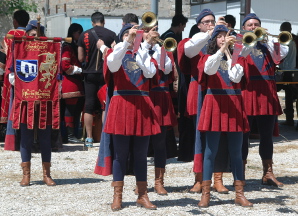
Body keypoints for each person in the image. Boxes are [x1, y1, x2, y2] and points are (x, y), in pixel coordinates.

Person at [100, 24, 161, 211]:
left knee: (141, 155)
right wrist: (127, 42)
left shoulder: (144, 53)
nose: (132, 36)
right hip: (122, 104)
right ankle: (117, 195)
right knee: (120, 154)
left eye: (135, 33)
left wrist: (140, 47)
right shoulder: (115, 51)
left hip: (142, 105)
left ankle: (142, 194)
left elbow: (150, 72)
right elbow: (112, 64)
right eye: (127, 33)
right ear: (122, 36)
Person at [197, 25, 253, 208]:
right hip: (215, 104)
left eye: (226, 36)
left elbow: (236, 77)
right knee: (210, 152)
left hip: (234, 104)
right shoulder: (207, 57)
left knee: (236, 152)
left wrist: (231, 55)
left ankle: (239, 193)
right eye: (220, 36)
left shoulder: (238, 58)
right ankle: (206, 194)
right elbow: (209, 69)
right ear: (214, 40)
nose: (223, 38)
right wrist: (222, 50)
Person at [177, 9, 230, 194]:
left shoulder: (220, 40)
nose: (210, 23)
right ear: (199, 24)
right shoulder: (191, 41)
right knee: (199, 137)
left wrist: (225, 33)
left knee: (220, 134)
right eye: (206, 21)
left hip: (218, 90)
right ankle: (199, 178)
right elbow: (190, 51)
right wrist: (210, 33)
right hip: (199, 90)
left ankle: (218, 178)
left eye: (213, 21)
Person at [241, 13, 289, 187]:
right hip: (248, 90)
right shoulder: (240, 42)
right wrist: (250, 39)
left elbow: (279, 56)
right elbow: (241, 55)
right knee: (243, 135)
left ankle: (268, 173)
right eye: (250, 25)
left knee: (267, 136)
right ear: (244, 28)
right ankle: (241, 174)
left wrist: (269, 40)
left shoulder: (267, 44)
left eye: (256, 25)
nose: (253, 27)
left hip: (267, 92)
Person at [78, 12, 116, 147]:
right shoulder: (111, 34)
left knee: (88, 105)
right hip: (105, 74)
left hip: (89, 74)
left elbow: (80, 58)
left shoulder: (84, 35)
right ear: (103, 21)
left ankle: (89, 138)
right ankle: (105, 135)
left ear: (92, 22)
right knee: (105, 104)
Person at [61, 23, 85, 143]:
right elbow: (65, 66)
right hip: (70, 83)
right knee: (70, 110)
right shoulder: (67, 47)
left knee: (75, 110)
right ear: (73, 33)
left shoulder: (75, 46)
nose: (80, 35)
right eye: (78, 32)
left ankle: (72, 134)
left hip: (76, 82)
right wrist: (80, 70)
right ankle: (69, 136)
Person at [277, 22, 297, 126]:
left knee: (288, 94)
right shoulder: (293, 41)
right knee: (288, 95)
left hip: (286, 71)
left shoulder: (287, 41)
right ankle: (289, 120)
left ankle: (289, 119)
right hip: (288, 70)